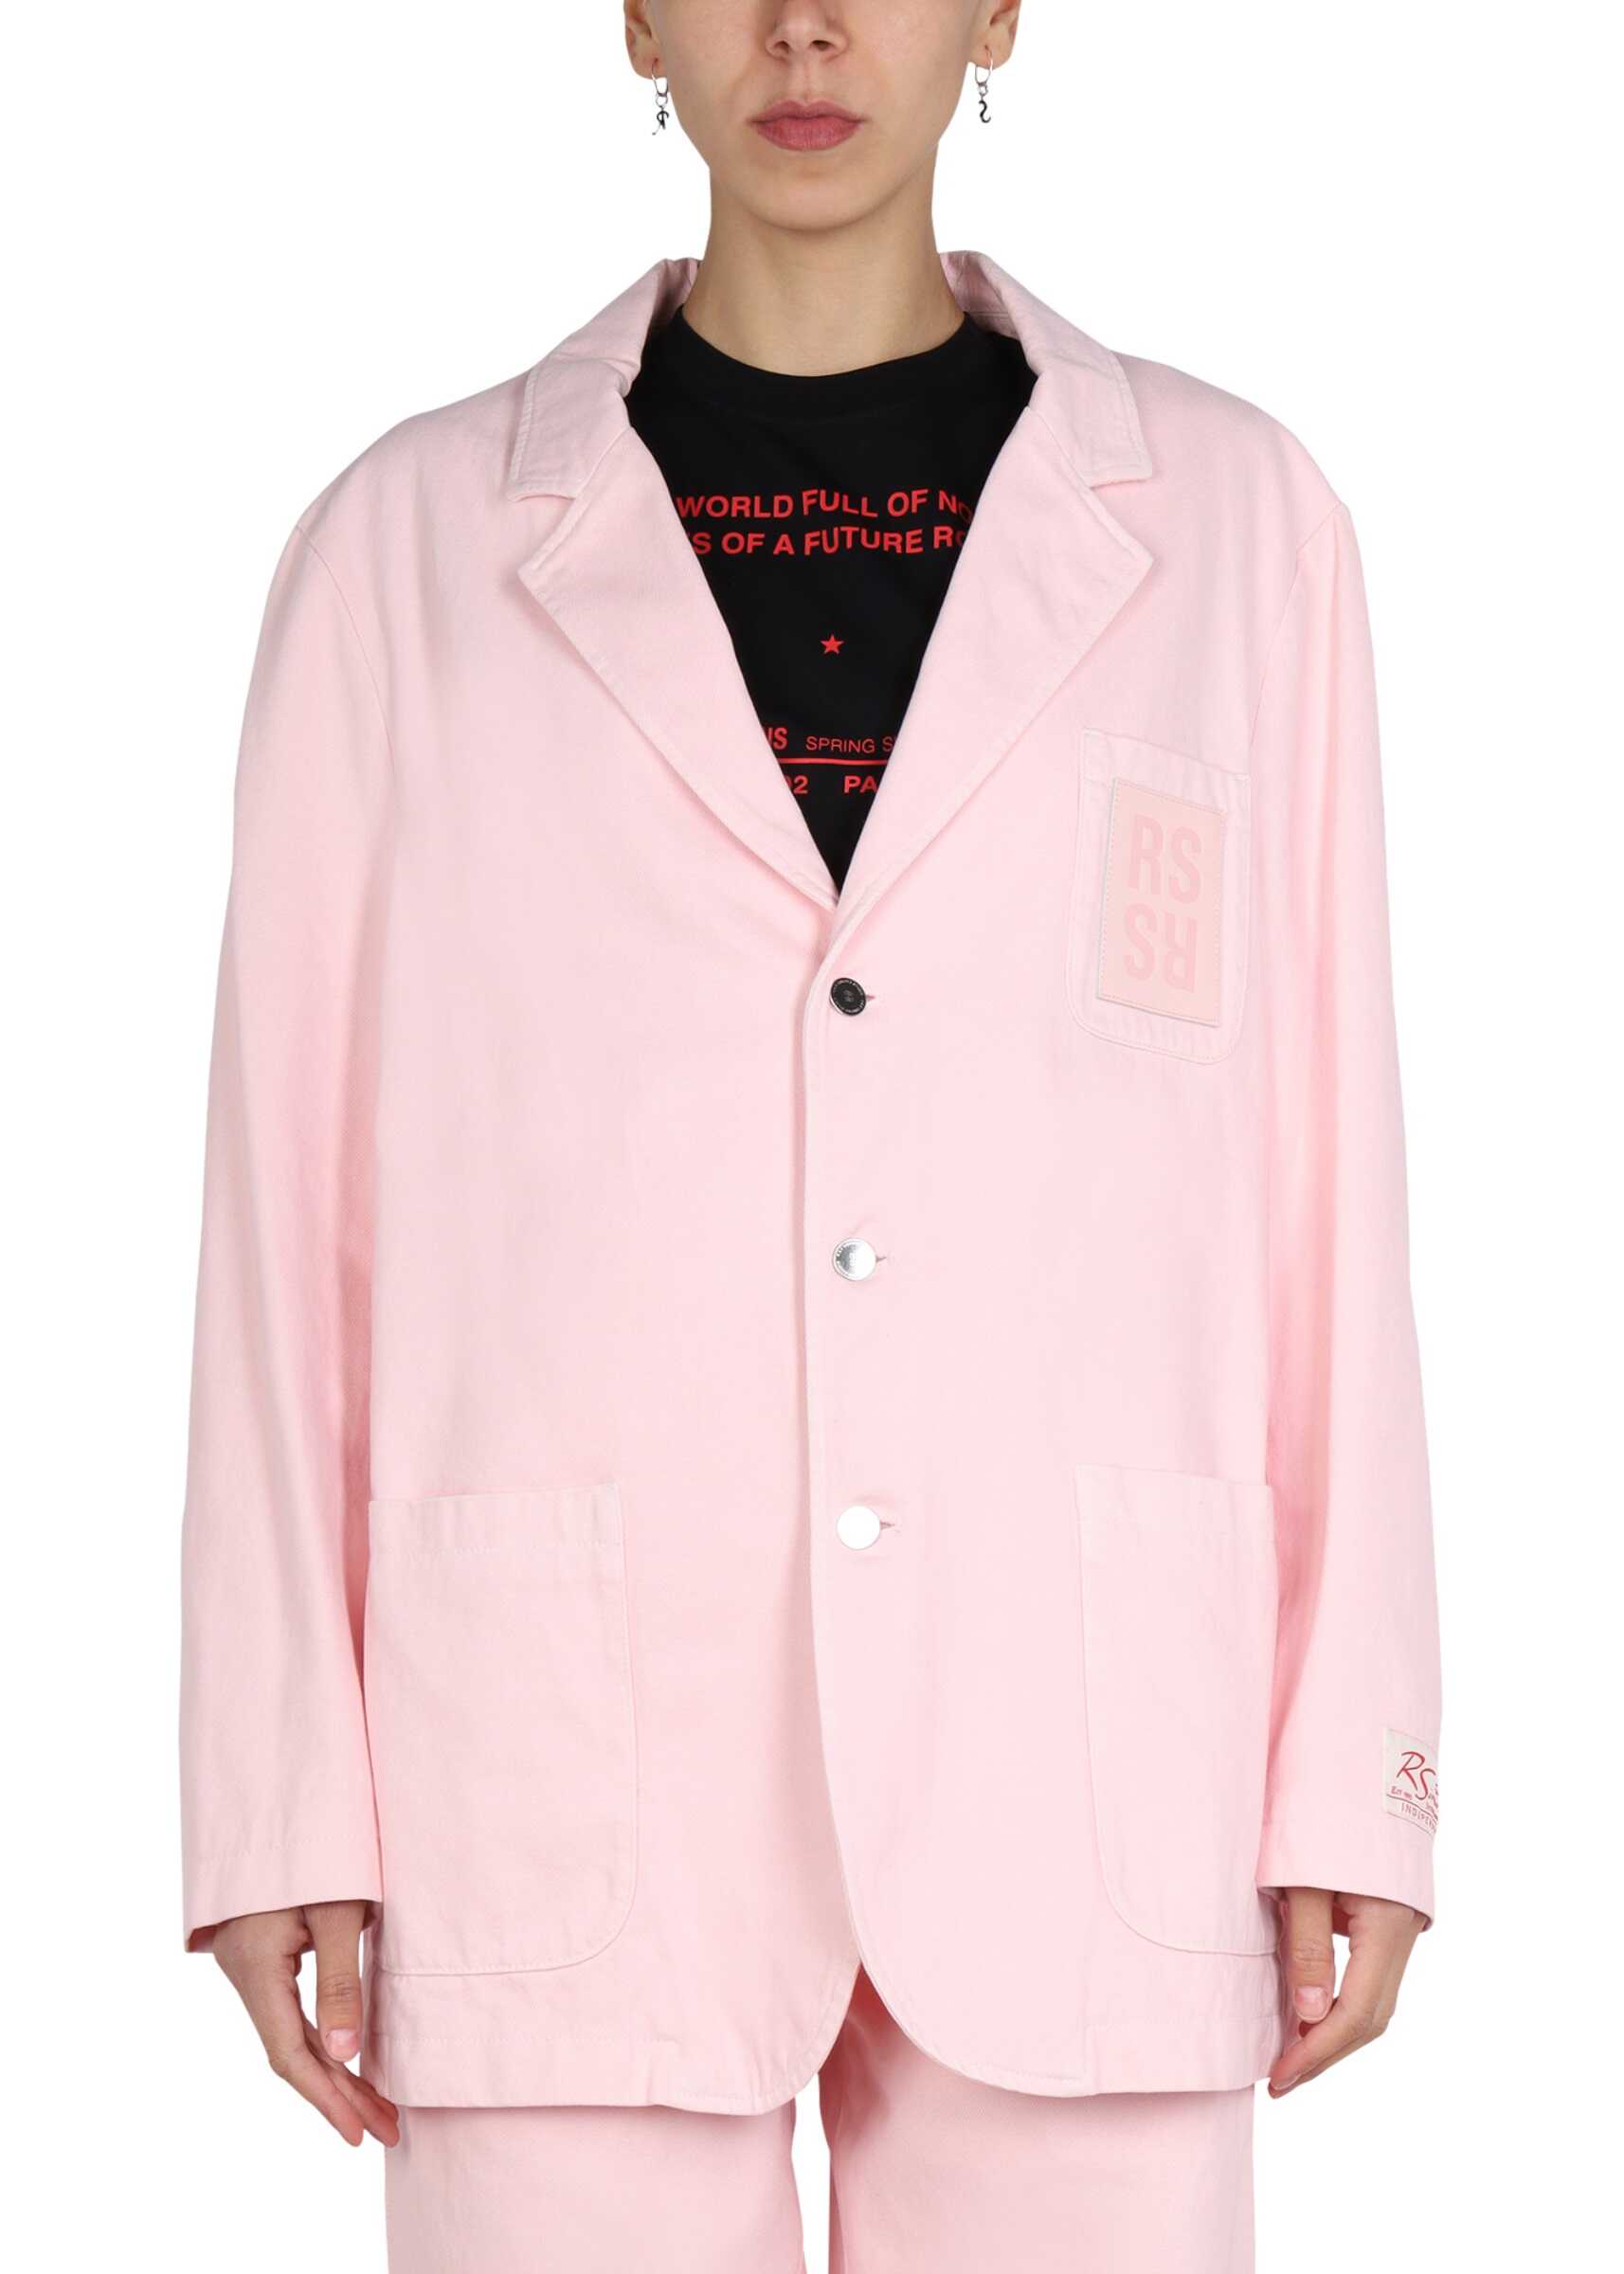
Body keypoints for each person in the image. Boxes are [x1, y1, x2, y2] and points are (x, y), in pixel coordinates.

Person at [179, 5, 1442, 2269]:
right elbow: (284, 1216)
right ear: (631, 17)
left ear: (1000, 9)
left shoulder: (1240, 531)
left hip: (1079, 1729)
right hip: (562, 1749)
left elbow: (1321, 1187)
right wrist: (280, 1788)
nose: (804, 26)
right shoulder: (401, 553)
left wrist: (1352, 1757)